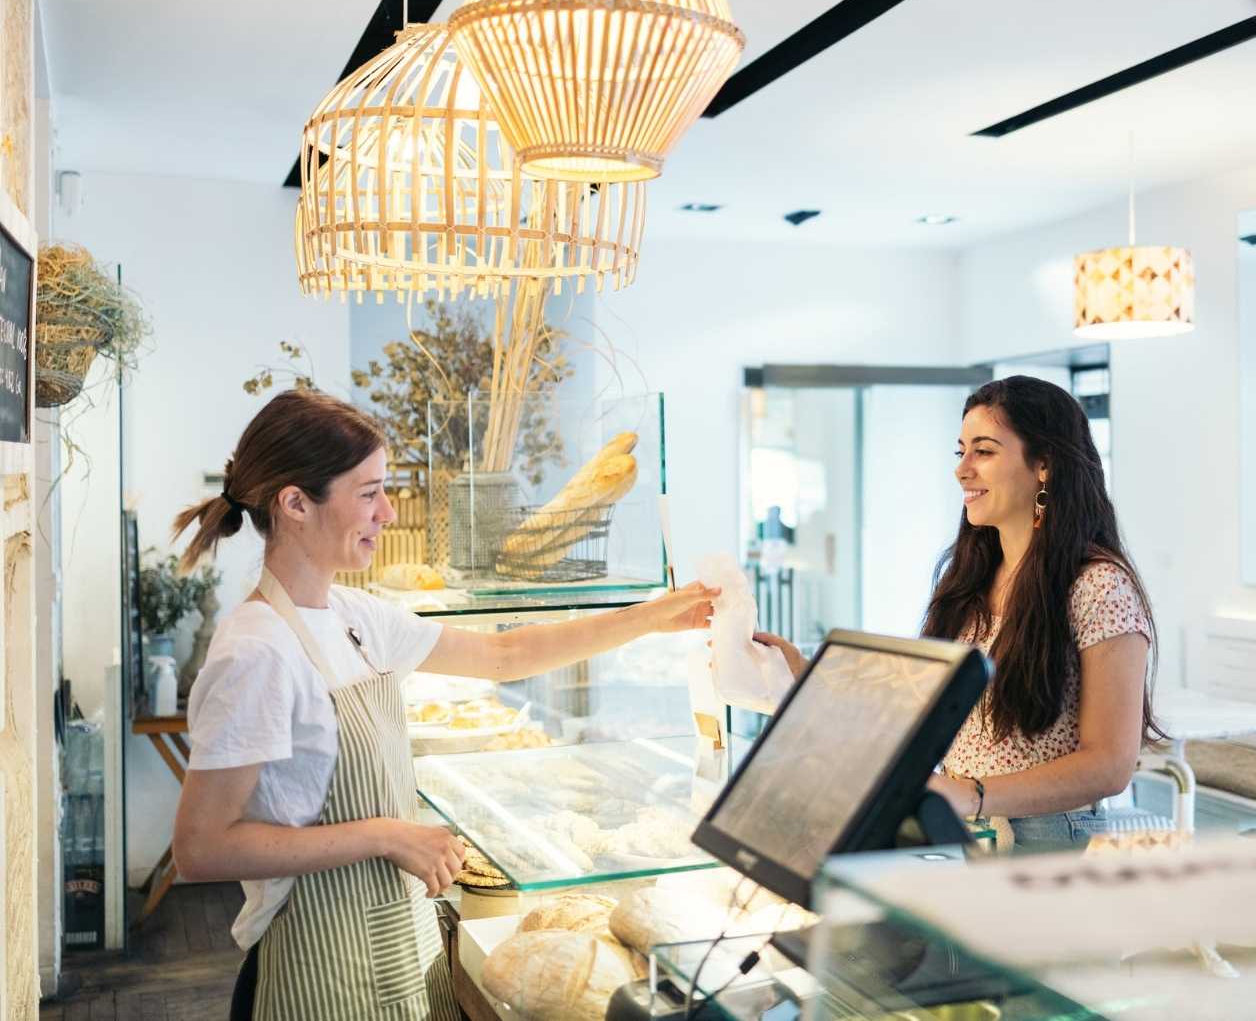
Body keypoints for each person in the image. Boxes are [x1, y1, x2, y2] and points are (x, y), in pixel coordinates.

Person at [169, 390, 717, 1020]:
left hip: (393, 945)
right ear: (295, 503)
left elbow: (504, 657)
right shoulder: (257, 652)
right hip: (314, 968)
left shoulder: (353, 617)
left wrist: (651, 618)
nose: (390, 512)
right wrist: (383, 835)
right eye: (369, 492)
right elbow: (202, 846)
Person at [756, 375, 1163, 850]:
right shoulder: (971, 579)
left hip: (1046, 842)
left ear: (1045, 465)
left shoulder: (1099, 584)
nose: (962, 470)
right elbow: (926, 711)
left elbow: (1110, 765)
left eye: (984, 452)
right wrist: (808, 677)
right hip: (970, 834)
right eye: (961, 452)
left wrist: (969, 795)